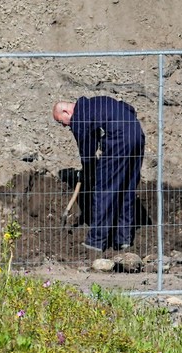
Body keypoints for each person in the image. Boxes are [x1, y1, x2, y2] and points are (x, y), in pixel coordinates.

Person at [52, 96, 146, 252]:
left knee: (104, 190)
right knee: (127, 188)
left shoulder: (79, 117)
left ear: (66, 111)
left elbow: (87, 150)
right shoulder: (95, 103)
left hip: (119, 140)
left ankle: (95, 242)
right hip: (137, 135)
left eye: (61, 122)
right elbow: (129, 108)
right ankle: (123, 239)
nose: (64, 126)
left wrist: (88, 171)